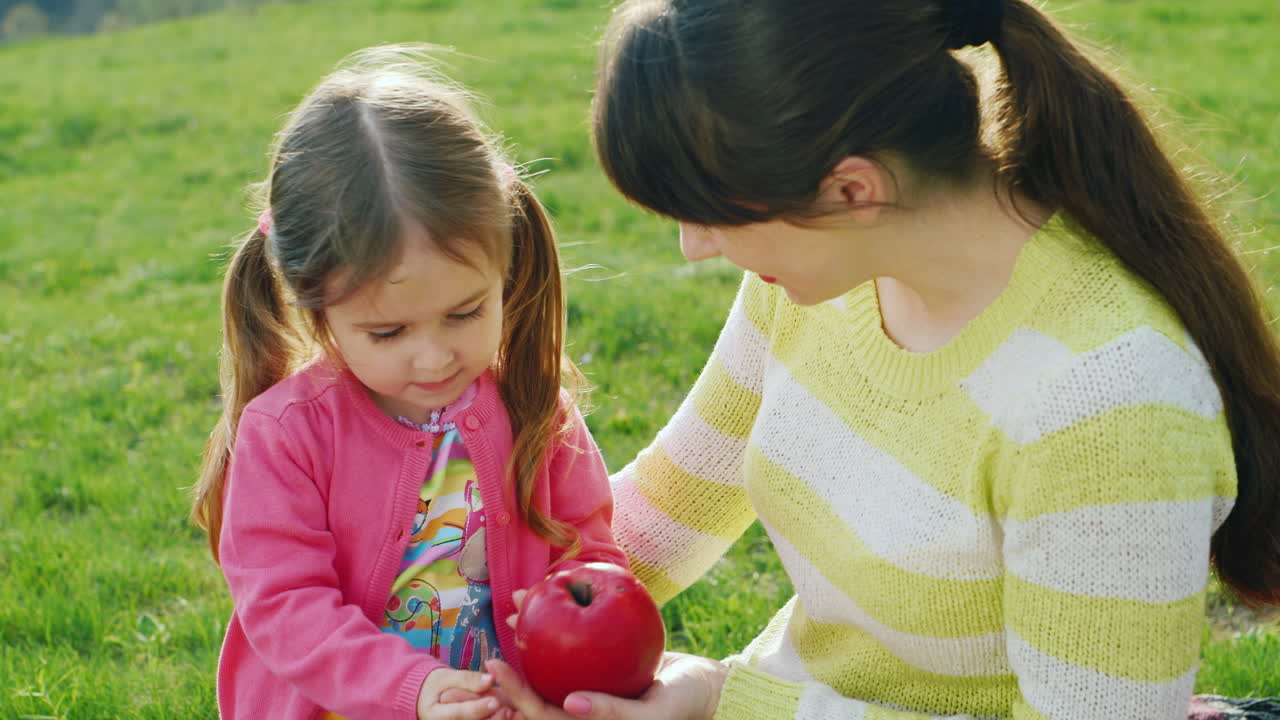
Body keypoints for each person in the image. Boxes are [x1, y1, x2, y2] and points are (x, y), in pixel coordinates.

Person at [485, 0, 1280, 718]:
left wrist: (731, 703)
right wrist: (484, 630)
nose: (694, 250)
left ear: (852, 190)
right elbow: (677, 500)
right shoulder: (823, 276)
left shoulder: (1108, 402)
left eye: (710, 215)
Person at [190, 47, 625, 720]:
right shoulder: (287, 434)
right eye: (388, 334)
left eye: (466, 312)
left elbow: (588, 549)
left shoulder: (534, 406)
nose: (434, 359)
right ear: (318, 309)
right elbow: (285, 606)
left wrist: (570, 633)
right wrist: (413, 690)